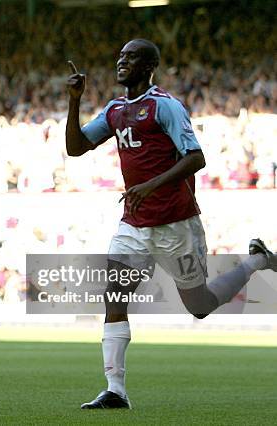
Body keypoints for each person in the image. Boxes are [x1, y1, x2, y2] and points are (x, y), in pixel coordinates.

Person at [64, 39, 277, 409]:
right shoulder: (115, 110)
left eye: (131, 58)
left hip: (176, 223)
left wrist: (149, 184)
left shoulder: (165, 107)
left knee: (199, 304)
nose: (122, 62)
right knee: (114, 296)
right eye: (120, 56)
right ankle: (116, 390)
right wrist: (74, 100)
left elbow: (196, 158)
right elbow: (76, 147)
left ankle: (256, 261)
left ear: (150, 67)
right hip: (134, 222)